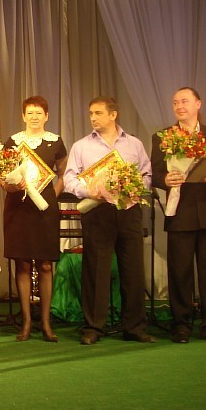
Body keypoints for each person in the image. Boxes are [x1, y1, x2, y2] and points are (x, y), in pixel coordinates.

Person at [63, 96, 155, 345]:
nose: (93, 118)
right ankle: (93, 327)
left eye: (98, 113)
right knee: (96, 269)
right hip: (98, 211)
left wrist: (135, 187)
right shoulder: (81, 146)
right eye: (91, 113)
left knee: (133, 269)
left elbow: (147, 174)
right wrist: (88, 190)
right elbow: (69, 179)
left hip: (128, 211)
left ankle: (134, 327)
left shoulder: (134, 144)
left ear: (113, 115)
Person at [151, 87, 206, 343]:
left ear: (198, 104)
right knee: (180, 273)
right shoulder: (162, 136)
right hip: (180, 213)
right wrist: (165, 179)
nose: (179, 106)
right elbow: (154, 173)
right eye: (175, 102)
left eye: (185, 101)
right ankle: (181, 325)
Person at [0, 95, 67, 343]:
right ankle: (26, 321)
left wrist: (51, 196)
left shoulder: (55, 142)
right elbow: (3, 178)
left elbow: (64, 174)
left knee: (46, 265)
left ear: (46, 116)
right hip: (18, 208)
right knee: (23, 264)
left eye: (39, 113)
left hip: (45, 210)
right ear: (23, 116)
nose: (34, 117)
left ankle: (46, 322)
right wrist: (12, 186)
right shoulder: (13, 142)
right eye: (30, 113)